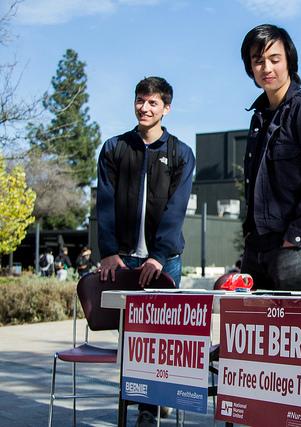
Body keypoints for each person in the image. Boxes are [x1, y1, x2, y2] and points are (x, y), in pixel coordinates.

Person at [96, 76, 194, 426]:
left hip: (164, 261)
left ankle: (151, 408)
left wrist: (159, 254)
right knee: (135, 342)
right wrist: (108, 251)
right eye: (140, 100)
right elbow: (104, 203)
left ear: (166, 108)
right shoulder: (114, 148)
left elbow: (177, 208)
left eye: (153, 102)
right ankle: (143, 407)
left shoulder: (181, 153)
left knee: (159, 341)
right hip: (124, 259)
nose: (144, 107)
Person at [239, 24, 301, 291]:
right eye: (258, 61)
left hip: (297, 247)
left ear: (289, 61)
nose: (267, 68)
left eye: (275, 59)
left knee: (300, 330)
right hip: (257, 248)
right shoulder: (258, 118)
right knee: (254, 330)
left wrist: (295, 234)